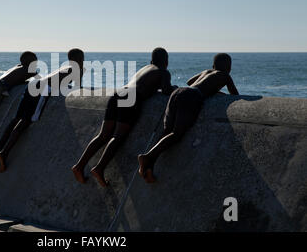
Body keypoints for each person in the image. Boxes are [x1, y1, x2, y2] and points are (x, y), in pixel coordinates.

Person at [72, 47, 177, 187]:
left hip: (118, 94)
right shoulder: (163, 71)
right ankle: (99, 167)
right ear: (166, 61)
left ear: (151, 60)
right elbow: (166, 90)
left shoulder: (145, 68)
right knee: (118, 136)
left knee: (103, 135)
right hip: (132, 98)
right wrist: (175, 88)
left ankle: (79, 166)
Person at [137, 53, 239, 183]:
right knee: (177, 134)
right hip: (191, 96)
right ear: (229, 67)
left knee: (167, 132)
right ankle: (147, 157)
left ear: (213, 66)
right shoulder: (225, 76)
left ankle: (149, 168)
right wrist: (215, 90)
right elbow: (235, 95)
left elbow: (190, 81)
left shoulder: (207, 71)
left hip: (178, 92)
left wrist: (210, 86)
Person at [0, 48, 85, 173]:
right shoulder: (77, 69)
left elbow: (60, 81)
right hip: (41, 90)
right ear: (80, 58)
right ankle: (4, 153)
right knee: (25, 121)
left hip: (32, 87)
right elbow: (77, 87)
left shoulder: (64, 67)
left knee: (16, 119)